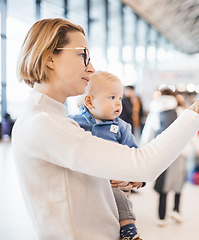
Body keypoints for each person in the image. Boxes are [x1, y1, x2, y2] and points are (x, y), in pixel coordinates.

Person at [13, 17, 199, 240]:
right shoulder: (45, 123)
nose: (91, 68)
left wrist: (108, 181)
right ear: (48, 58)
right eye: (82, 55)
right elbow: (143, 164)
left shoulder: (47, 118)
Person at [68, 70, 144, 240]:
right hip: (84, 183)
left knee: (118, 196)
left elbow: (134, 155)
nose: (118, 104)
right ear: (89, 101)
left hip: (112, 183)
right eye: (112, 98)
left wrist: (138, 177)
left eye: (120, 98)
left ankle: (128, 229)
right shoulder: (73, 123)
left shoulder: (122, 127)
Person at [141, 89, 187, 227]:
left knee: (163, 184)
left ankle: (161, 217)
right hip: (179, 152)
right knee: (178, 182)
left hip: (161, 152)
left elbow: (148, 131)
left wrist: (143, 149)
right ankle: (176, 210)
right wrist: (197, 148)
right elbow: (188, 130)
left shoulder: (155, 110)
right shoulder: (179, 110)